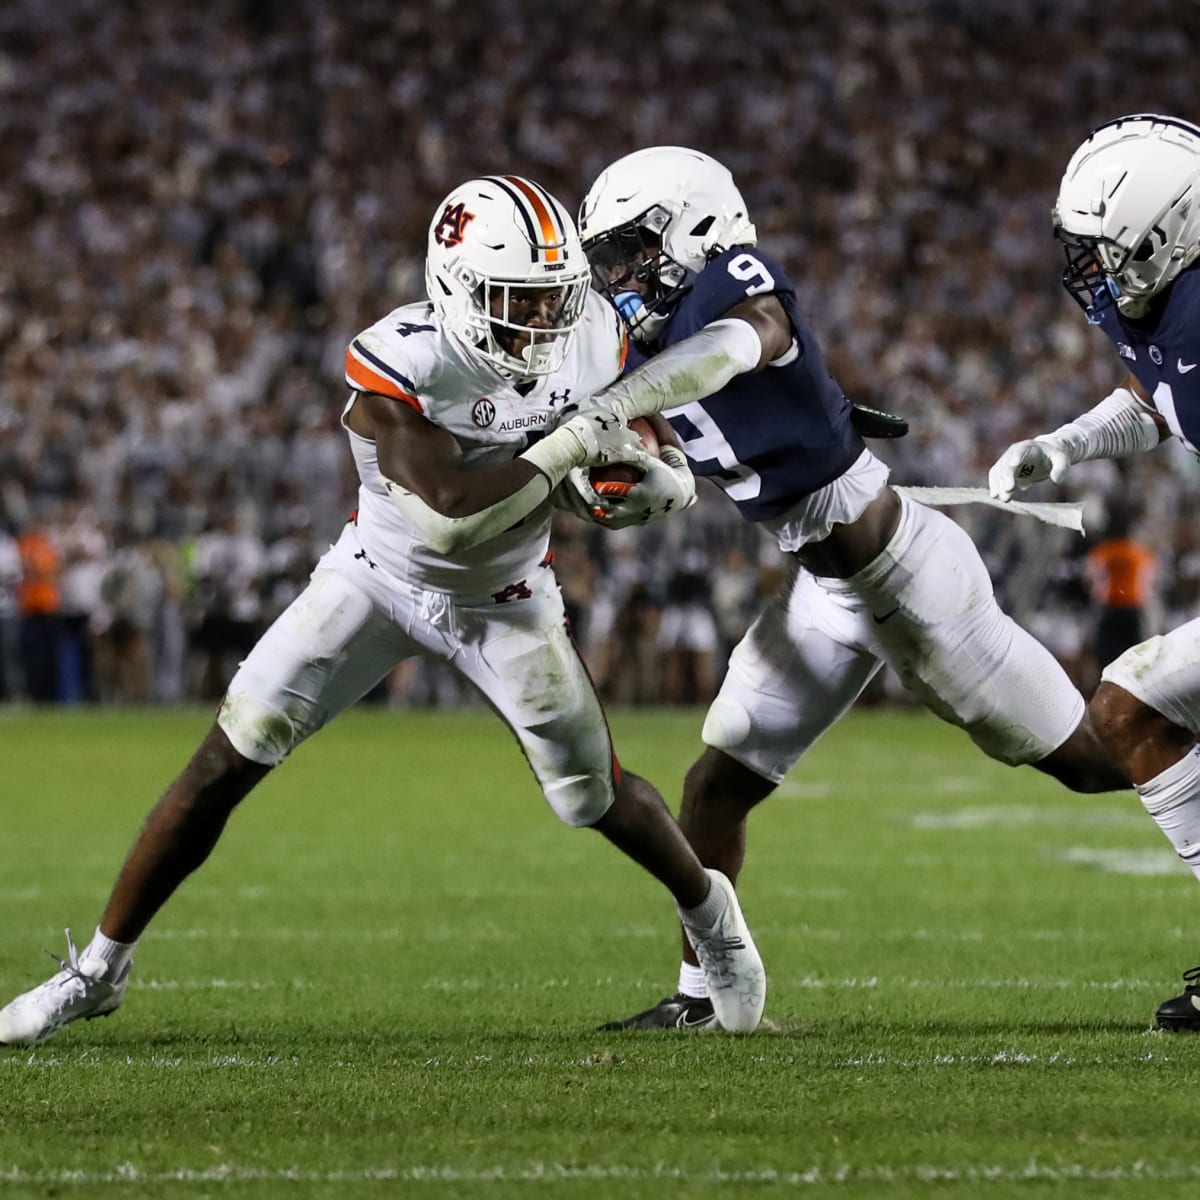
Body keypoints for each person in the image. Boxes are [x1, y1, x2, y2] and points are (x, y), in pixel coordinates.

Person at [0, 175, 765, 1045]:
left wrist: (647, 477)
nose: (545, 323)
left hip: (507, 598)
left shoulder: (591, 329)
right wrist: (573, 447)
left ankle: (712, 916)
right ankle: (99, 968)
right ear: (459, 288)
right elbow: (448, 510)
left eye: (555, 298)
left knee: (592, 796)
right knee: (226, 757)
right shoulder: (403, 358)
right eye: (520, 301)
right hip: (377, 580)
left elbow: (640, 437)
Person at [563, 145, 1129, 1030]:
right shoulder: (653, 341)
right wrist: (646, 463)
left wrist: (623, 406)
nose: (620, 273)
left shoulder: (729, 286)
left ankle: (1175, 737)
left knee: (1097, 761)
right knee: (715, 784)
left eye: (634, 248)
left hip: (908, 579)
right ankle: (703, 999)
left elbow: (748, 341)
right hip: (824, 597)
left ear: (693, 232)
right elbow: (695, 426)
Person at [987, 113, 1200, 1031]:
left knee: (1128, 702)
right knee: (1129, 706)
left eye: (1109, 249)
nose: (1093, 271)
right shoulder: (1164, 303)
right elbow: (1160, 398)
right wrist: (1061, 446)